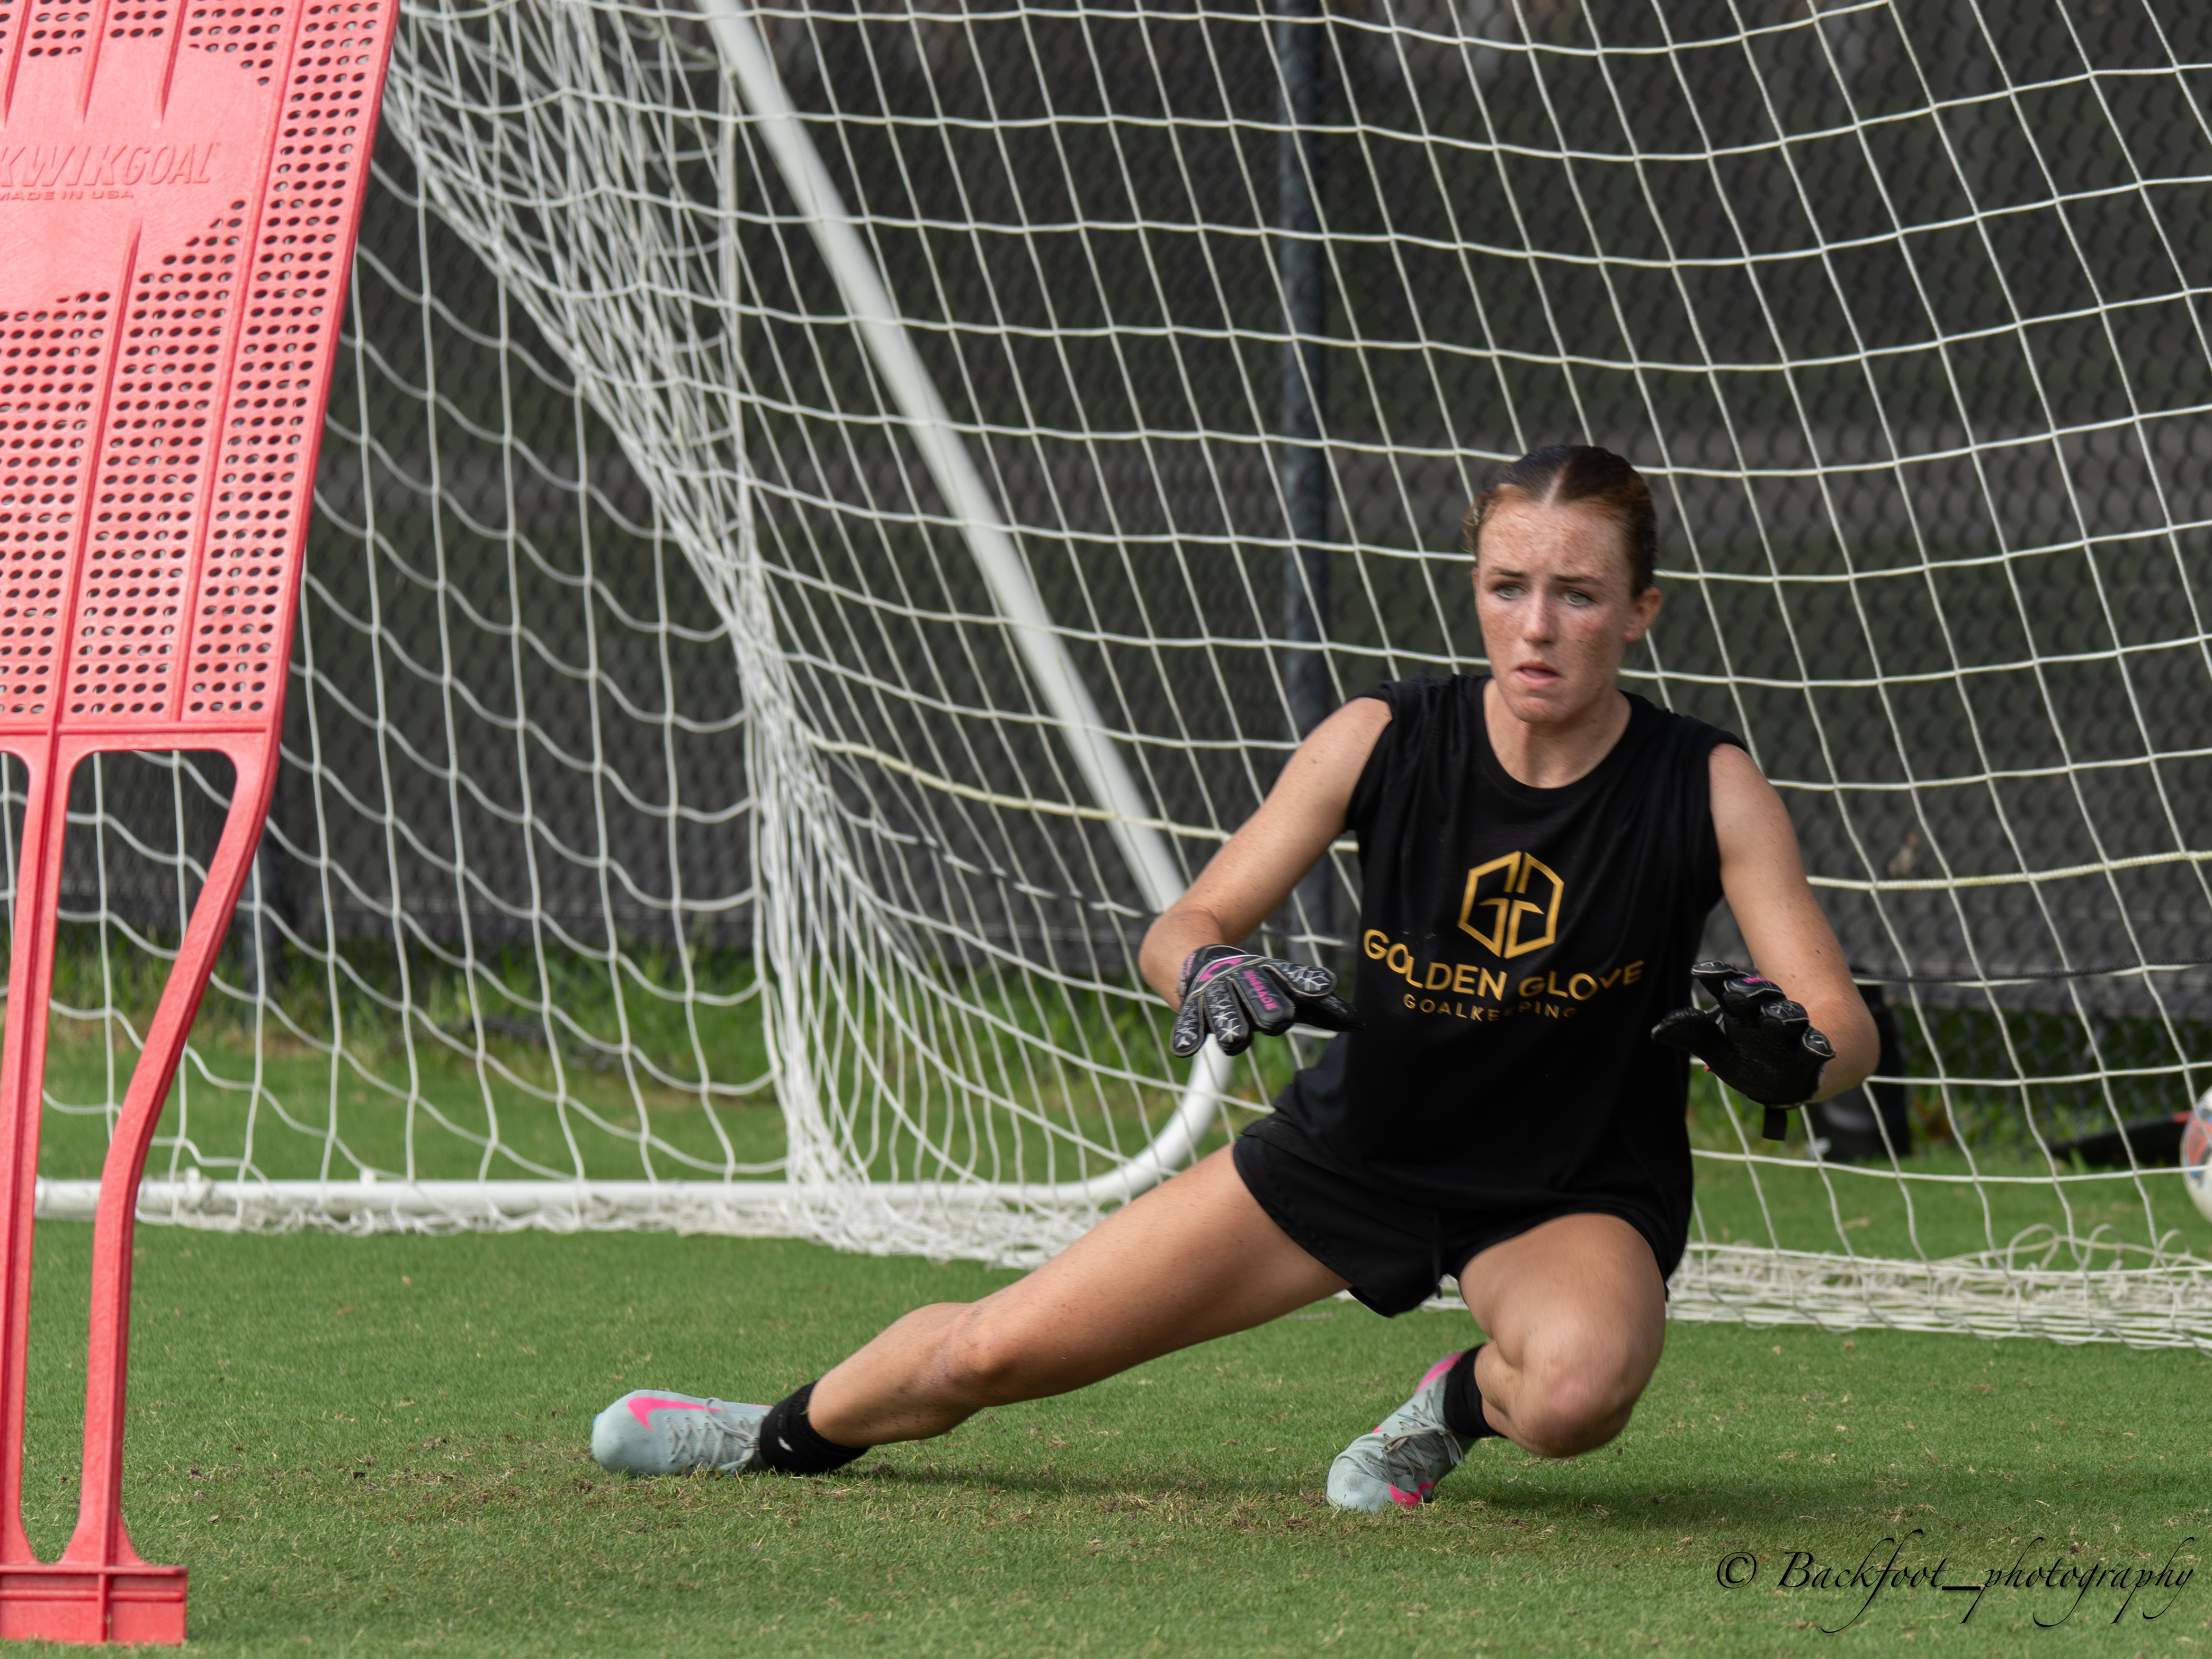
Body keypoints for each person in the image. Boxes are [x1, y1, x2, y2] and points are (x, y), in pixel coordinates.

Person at [588, 444, 1878, 1511]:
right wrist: (1207, 969)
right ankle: (765, 1432)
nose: (1535, 626)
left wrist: (1795, 1052)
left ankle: (1447, 1405)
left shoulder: (1704, 782)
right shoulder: (1383, 738)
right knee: (993, 1348)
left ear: (1642, 610)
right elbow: (1187, 919)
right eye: (1506, 586)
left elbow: (1839, 1021)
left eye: (1579, 596)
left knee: (1577, 1396)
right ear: (1474, 589)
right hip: (1356, 1149)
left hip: (1570, 1188)